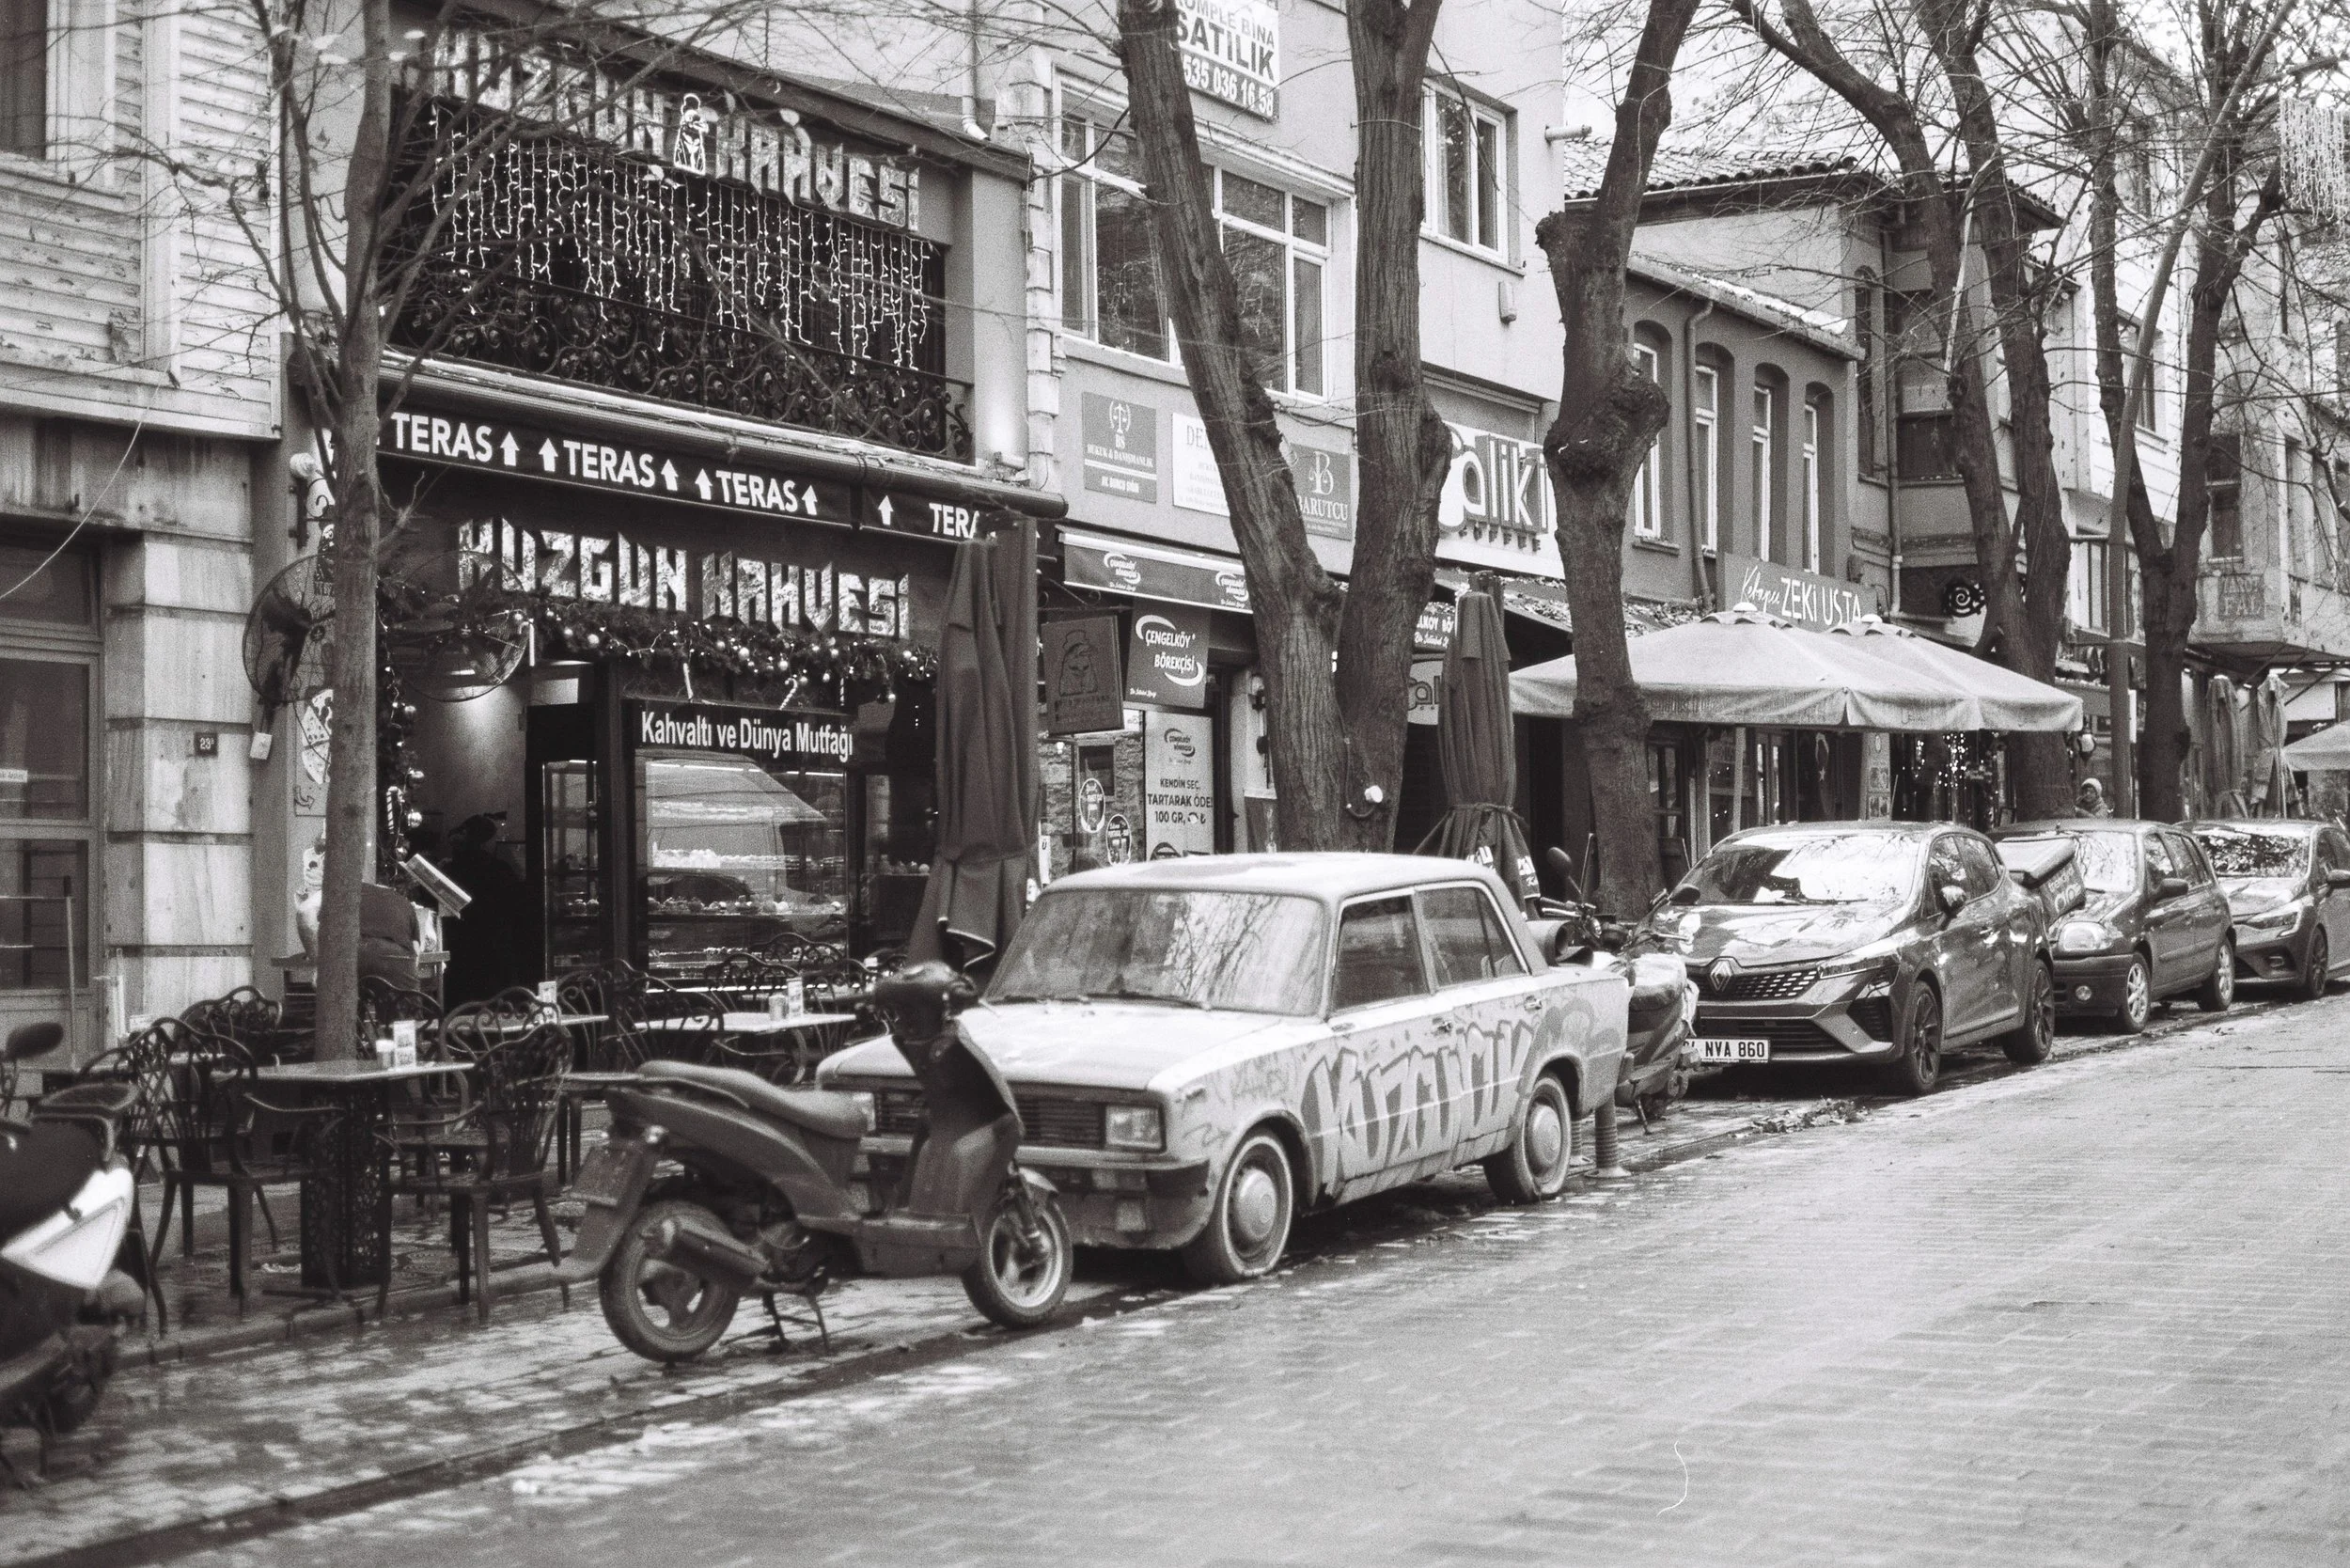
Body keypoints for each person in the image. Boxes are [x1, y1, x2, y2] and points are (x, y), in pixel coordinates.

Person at [441, 814, 525, 1004]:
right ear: (487, 841)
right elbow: (515, 904)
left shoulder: (451, 869)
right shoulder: (500, 869)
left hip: (461, 945)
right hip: (495, 945)